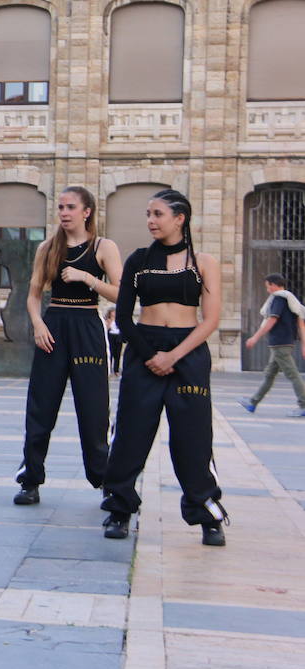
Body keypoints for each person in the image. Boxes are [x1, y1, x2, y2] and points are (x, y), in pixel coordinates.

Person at [102, 189, 226, 546]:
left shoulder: (203, 262)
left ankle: (207, 511)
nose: (151, 221)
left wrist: (174, 356)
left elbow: (211, 319)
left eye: (157, 214)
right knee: (131, 431)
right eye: (148, 214)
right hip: (144, 350)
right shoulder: (139, 259)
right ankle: (119, 509)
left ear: (179, 219)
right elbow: (123, 316)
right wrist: (151, 355)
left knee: (194, 437)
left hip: (188, 352)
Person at [14, 187, 123, 506]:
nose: (63, 212)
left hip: (88, 325)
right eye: (60, 206)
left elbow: (120, 293)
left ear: (86, 211)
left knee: (93, 408)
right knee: (40, 406)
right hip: (54, 325)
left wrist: (87, 278)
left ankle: (105, 479)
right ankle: (30, 479)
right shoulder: (48, 247)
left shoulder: (104, 246)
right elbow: (34, 294)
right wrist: (37, 324)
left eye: (70, 207)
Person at [240, 273, 305, 417]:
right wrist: (303, 345)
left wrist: (255, 337)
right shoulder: (291, 300)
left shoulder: (279, 298)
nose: (267, 290)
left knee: (292, 374)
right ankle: (252, 402)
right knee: (269, 375)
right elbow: (301, 323)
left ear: (273, 284)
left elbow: (272, 320)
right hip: (282, 343)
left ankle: (304, 404)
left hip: (280, 344)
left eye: (268, 286)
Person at [105, 308, 122, 376]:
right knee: (111, 353)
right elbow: (106, 328)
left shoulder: (119, 320)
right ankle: (109, 370)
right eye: (113, 312)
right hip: (111, 336)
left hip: (118, 336)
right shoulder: (108, 320)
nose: (114, 313)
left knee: (117, 354)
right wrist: (110, 322)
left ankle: (116, 370)